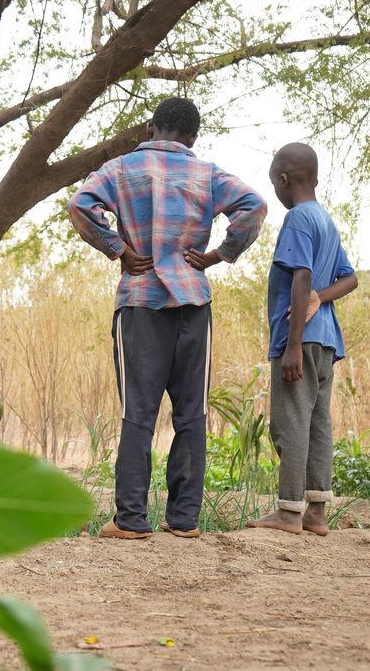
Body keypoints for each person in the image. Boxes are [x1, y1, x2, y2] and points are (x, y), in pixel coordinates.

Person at [68, 97, 267, 540]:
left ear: (152, 127)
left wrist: (117, 249)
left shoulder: (120, 169)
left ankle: (131, 521)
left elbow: (81, 205)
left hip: (140, 303)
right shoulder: (208, 174)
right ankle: (183, 520)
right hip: (194, 302)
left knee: (138, 413)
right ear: (192, 137)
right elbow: (253, 206)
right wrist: (220, 254)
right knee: (191, 413)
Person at [247, 142, 358, 535]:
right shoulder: (325, 220)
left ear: (282, 180)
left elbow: (302, 276)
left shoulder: (297, 219)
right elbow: (350, 278)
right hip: (327, 341)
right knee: (317, 424)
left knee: (290, 423)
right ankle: (316, 513)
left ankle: (289, 513)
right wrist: (320, 300)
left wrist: (292, 345)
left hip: (301, 340)